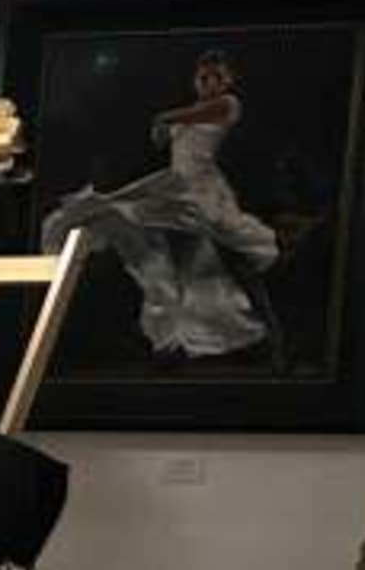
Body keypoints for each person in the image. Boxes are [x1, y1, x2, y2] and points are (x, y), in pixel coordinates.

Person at [42, 49, 280, 360]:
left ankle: (267, 334)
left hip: (202, 189)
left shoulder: (227, 104)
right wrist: (164, 130)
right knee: (176, 259)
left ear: (229, 80)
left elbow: (176, 118)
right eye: (203, 78)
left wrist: (163, 120)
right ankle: (175, 336)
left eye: (217, 77)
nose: (209, 83)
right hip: (178, 184)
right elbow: (169, 138)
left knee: (230, 261)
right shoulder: (195, 111)